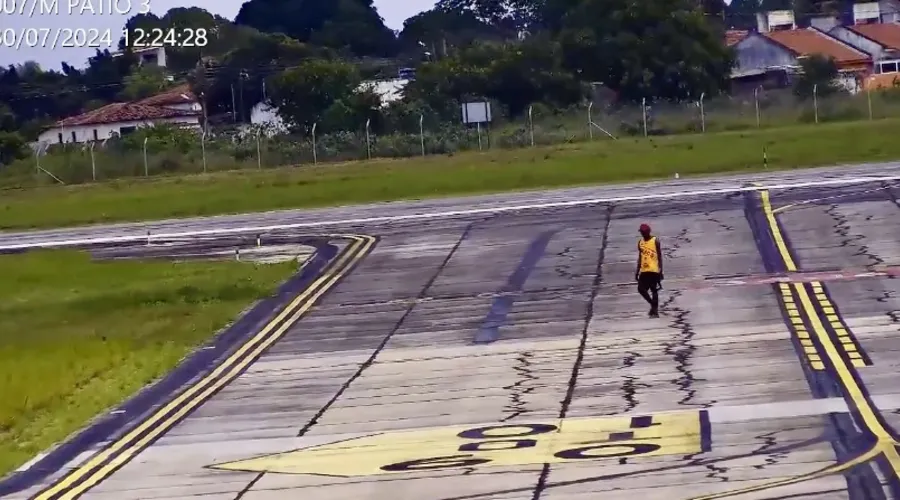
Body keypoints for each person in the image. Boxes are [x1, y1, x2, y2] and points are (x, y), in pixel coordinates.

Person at [635, 223, 663, 318]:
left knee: (654, 290)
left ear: (647, 232)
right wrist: (637, 270)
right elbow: (640, 257)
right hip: (644, 270)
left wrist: (660, 270)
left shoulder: (655, 241)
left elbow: (659, 255)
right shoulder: (640, 242)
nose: (642, 234)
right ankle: (653, 306)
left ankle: (654, 311)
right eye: (642, 232)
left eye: (643, 232)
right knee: (641, 289)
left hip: (653, 269)